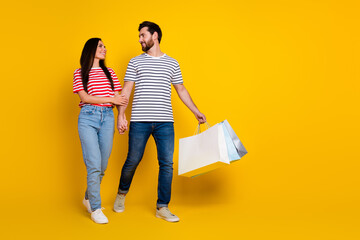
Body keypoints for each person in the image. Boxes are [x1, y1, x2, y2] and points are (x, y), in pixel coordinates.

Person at [113, 21, 206, 222]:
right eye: (139, 36)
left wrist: (195, 111)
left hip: (165, 122)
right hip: (140, 120)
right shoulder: (135, 62)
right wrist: (121, 115)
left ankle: (162, 207)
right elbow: (126, 91)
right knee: (133, 160)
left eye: (142, 35)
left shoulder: (172, 63)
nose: (139, 40)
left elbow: (180, 89)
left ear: (154, 36)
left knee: (167, 164)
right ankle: (121, 194)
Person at [73, 38, 128, 224]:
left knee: (102, 165)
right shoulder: (80, 72)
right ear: (91, 49)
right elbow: (85, 97)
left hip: (108, 118)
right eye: (100, 46)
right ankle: (95, 208)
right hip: (88, 117)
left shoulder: (110, 72)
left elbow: (119, 98)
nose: (105, 48)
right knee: (94, 164)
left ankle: (88, 197)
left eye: (105, 46)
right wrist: (111, 99)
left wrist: (122, 117)